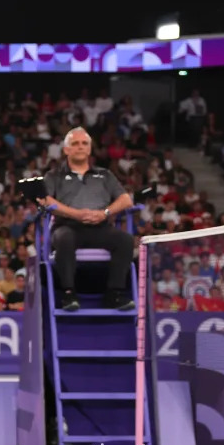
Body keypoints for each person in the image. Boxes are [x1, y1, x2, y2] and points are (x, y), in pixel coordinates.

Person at [40, 127, 135, 312]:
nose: (80, 147)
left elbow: (126, 199)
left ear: (90, 149)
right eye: (75, 144)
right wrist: (74, 213)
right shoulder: (54, 175)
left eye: (84, 143)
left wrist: (105, 213)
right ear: (66, 149)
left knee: (125, 240)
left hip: (100, 227)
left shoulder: (105, 175)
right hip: (67, 226)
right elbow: (44, 199)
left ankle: (114, 294)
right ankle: (68, 294)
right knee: (64, 238)